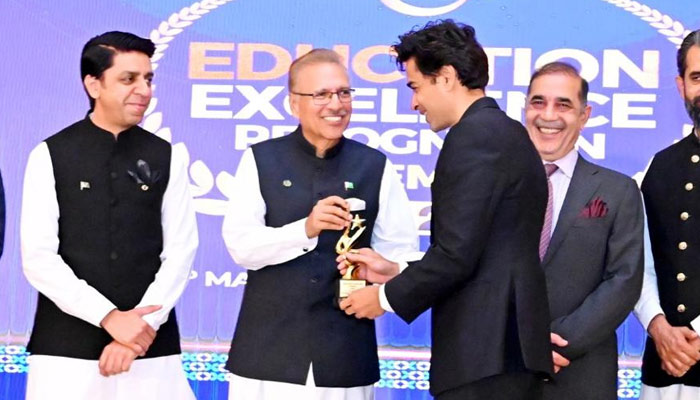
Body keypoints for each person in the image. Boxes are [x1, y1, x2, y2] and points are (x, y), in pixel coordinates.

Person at [339, 20, 552, 399]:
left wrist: (384, 298)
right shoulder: (504, 132)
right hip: (503, 355)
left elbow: (456, 256)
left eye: (416, 86)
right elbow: (478, 248)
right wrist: (396, 270)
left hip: (485, 355)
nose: (414, 103)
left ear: (448, 77)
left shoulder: (472, 138)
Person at [221, 48, 419, 400]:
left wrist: (385, 269)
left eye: (344, 93)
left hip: (344, 355)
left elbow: (401, 255)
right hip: (266, 355)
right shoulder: (260, 159)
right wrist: (305, 230)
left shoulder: (375, 166)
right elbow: (242, 247)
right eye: (322, 95)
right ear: (293, 103)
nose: (336, 104)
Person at [21, 31, 198, 400]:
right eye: (128, 79)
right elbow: (38, 258)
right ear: (93, 84)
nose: (143, 90)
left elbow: (181, 252)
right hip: (64, 351)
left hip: (151, 348)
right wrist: (109, 317)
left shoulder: (168, 155)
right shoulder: (50, 154)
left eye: (148, 79)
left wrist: (139, 330)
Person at [523, 61, 644, 399]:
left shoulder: (618, 190)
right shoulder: (493, 184)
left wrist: (557, 344)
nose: (549, 115)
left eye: (563, 104)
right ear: (525, 109)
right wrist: (521, 345)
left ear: (584, 114)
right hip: (501, 371)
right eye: (538, 102)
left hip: (581, 373)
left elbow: (624, 279)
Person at [635, 29, 700, 400]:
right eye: (697, 77)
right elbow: (636, 264)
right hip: (665, 368)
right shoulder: (658, 167)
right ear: (680, 86)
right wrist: (659, 327)